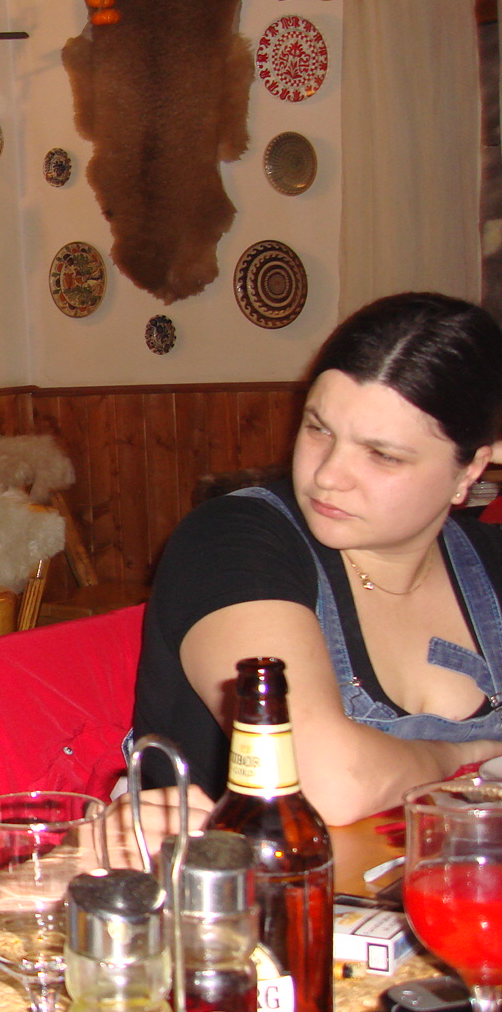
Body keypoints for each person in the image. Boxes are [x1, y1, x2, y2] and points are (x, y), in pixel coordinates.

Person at [134, 291, 502, 826]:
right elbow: (323, 782)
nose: (328, 474)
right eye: (318, 429)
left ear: (471, 469)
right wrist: (468, 756)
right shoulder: (230, 541)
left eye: (382, 455)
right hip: (246, 875)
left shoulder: (491, 562)